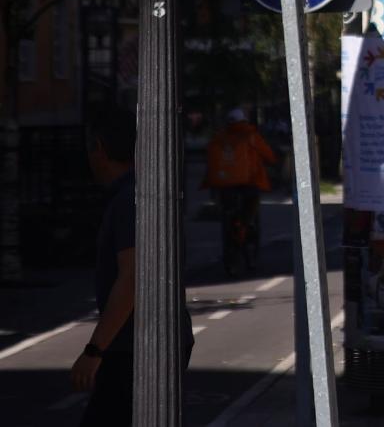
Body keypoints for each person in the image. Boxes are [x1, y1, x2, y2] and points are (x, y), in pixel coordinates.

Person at [74, 111, 192, 426]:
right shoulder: (144, 193)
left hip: (138, 346)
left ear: (99, 148)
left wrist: (94, 350)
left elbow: (132, 278)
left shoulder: (130, 200)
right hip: (152, 340)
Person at [203, 108, 277, 274]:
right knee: (251, 204)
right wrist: (272, 162)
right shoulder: (251, 135)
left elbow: (210, 159)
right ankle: (247, 225)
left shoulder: (219, 138)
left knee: (228, 212)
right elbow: (269, 155)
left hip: (225, 186)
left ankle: (231, 243)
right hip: (247, 185)